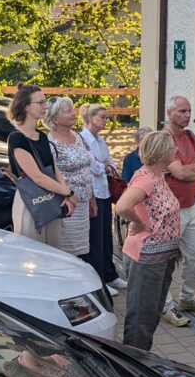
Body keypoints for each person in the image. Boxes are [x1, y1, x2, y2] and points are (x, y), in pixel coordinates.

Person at [116, 129, 182, 351]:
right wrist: (138, 223)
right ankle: (133, 366)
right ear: (163, 151)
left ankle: (141, 361)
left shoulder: (158, 175)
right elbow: (124, 206)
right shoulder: (146, 179)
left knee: (151, 315)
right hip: (147, 259)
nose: (176, 149)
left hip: (162, 257)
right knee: (141, 318)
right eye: (173, 146)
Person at [161, 95, 195, 318]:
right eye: (182, 111)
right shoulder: (165, 139)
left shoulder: (191, 136)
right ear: (169, 113)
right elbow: (179, 173)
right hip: (171, 210)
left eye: (189, 111)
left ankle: (188, 298)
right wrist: (192, 169)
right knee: (165, 261)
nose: (188, 115)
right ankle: (164, 306)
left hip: (192, 207)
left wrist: (186, 169)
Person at [7, 85, 76, 244]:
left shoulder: (43, 136)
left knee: (53, 251)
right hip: (31, 203)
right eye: (40, 102)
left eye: (45, 102)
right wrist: (69, 193)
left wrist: (64, 195)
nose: (45, 106)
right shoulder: (17, 138)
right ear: (26, 106)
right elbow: (37, 177)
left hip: (51, 199)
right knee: (32, 254)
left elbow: (54, 168)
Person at [79, 103, 128, 294]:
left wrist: (105, 165)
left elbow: (110, 163)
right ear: (91, 118)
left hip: (105, 190)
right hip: (93, 193)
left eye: (106, 117)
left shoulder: (100, 140)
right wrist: (104, 165)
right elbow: (95, 167)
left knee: (107, 236)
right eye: (102, 117)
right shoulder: (83, 140)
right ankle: (99, 280)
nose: (106, 121)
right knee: (96, 238)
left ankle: (111, 275)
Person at [45, 97, 94, 260]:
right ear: (54, 119)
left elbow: (87, 168)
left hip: (84, 202)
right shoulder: (50, 142)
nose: (74, 113)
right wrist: (67, 196)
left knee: (82, 250)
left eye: (73, 109)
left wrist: (92, 198)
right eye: (68, 111)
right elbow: (51, 175)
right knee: (67, 252)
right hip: (67, 205)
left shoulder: (78, 137)